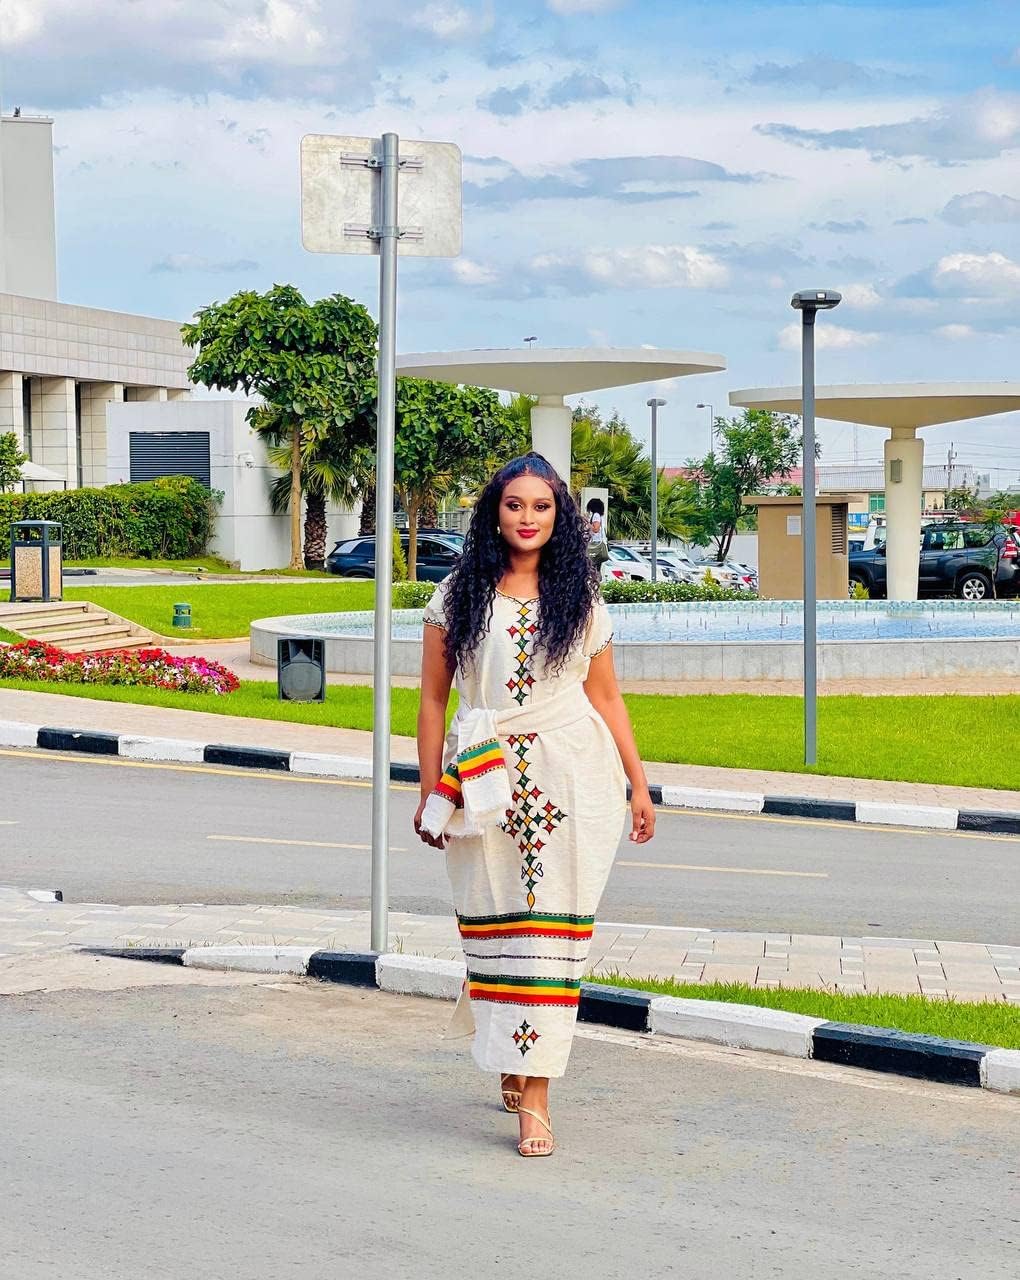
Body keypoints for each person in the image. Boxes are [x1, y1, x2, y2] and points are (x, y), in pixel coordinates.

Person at [414, 452, 655, 1159]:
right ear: (495, 512)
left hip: (571, 779)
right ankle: (512, 1055)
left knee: (550, 941)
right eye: (515, 505)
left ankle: (537, 1095)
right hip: (484, 785)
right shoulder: (457, 595)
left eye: (542, 507)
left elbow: (607, 697)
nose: (527, 518)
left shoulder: (580, 598)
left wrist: (639, 785)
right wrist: (432, 788)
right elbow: (432, 698)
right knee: (496, 927)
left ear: (561, 517)